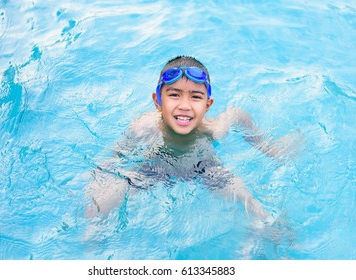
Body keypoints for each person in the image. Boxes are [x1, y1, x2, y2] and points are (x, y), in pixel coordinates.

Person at [86, 55, 300, 221]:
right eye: (174, 94)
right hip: (153, 171)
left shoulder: (214, 129)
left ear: (208, 104)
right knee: (99, 207)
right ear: (157, 101)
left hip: (206, 170)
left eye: (196, 97)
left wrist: (269, 148)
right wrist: (95, 183)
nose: (185, 105)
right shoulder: (143, 127)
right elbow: (112, 159)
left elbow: (236, 115)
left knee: (256, 208)